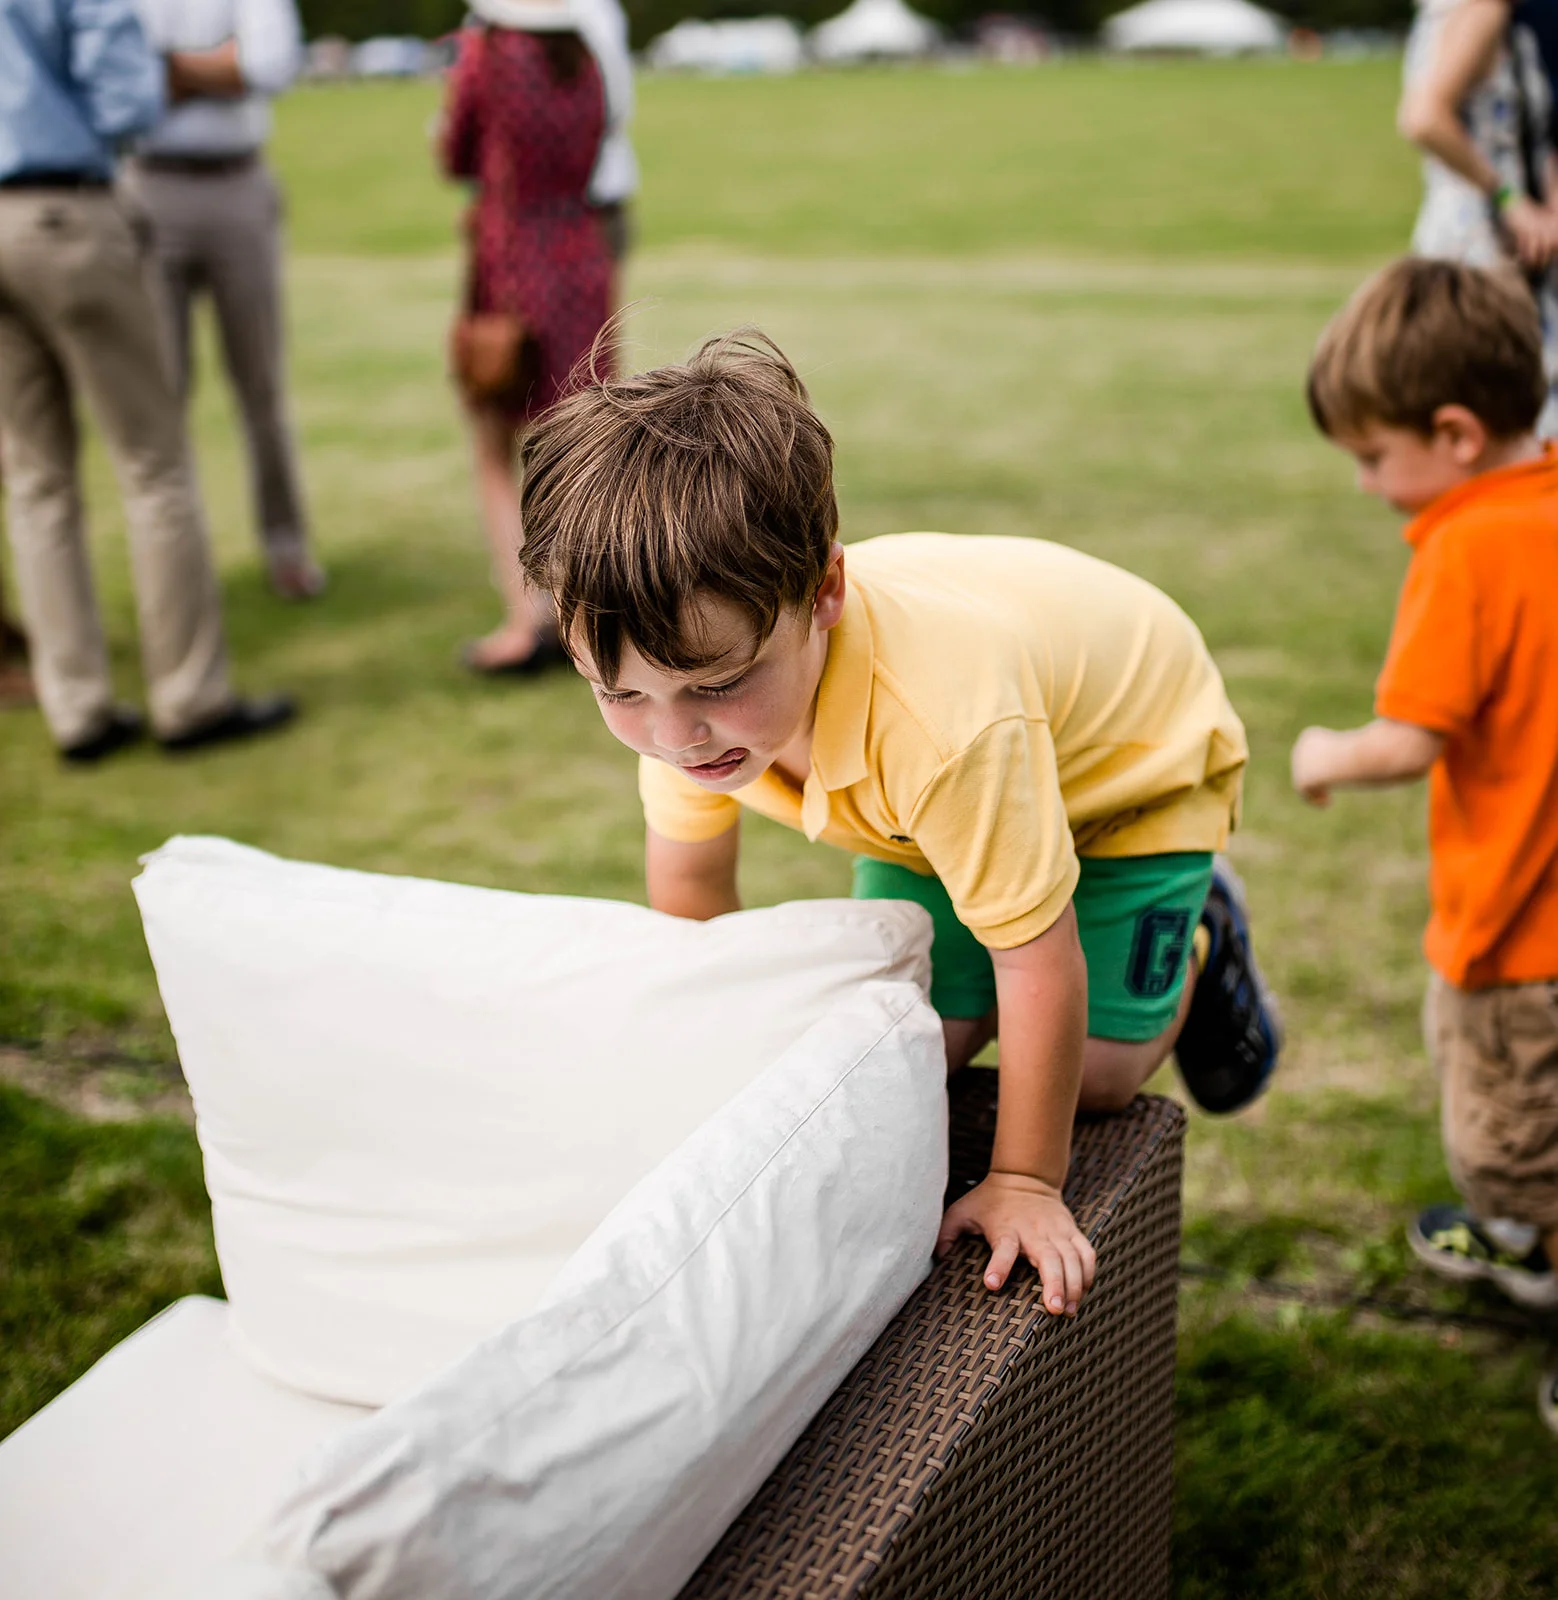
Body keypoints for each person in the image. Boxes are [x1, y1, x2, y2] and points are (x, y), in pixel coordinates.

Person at [515, 332, 1283, 1317]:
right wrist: (708, 1058)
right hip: (935, 814)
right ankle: (1005, 885)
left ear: (823, 594)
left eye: (717, 683)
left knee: (1093, 1075)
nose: (674, 736)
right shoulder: (682, 706)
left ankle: (1203, 935)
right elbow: (693, 898)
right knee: (915, 1042)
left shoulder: (939, 724)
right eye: (618, 692)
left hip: (1132, 778)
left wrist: (1024, 1181)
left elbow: (1035, 955)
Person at [1294, 258, 1558, 1432]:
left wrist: (1321, 753)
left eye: (1371, 454)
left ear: (1454, 434)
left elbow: (1406, 741)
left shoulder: (1462, 546)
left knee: (1514, 1137)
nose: (1364, 484)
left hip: (1517, 933)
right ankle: (1525, 1237)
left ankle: (1533, 1236)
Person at [0, 0, 295, 761]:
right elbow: (128, 98)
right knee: (155, 466)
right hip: (64, 213)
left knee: (35, 482)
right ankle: (191, 698)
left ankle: (77, 710)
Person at [122, 0, 324, 601]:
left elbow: (270, 64)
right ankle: (174, 565)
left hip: (239, 186)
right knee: (159, 394)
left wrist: (169, 68)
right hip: (147, 189)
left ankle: (286, 546)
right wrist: (219, 65)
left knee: (262, 387)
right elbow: (122, 77)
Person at [439, 0, 615, 676]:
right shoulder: (585, 57)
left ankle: (527, 617)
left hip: (511, 259)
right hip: (580, 249)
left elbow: (455, 153)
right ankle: (588, 610)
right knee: (579, 441)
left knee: (494, 440)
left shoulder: (485, 58)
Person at [1399, 0, 1558, 428]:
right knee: (1503, 395)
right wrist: (1510, 199)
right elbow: (1423, 118)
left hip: (1489, 228)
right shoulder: (1482, 9)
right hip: (1488, 235)